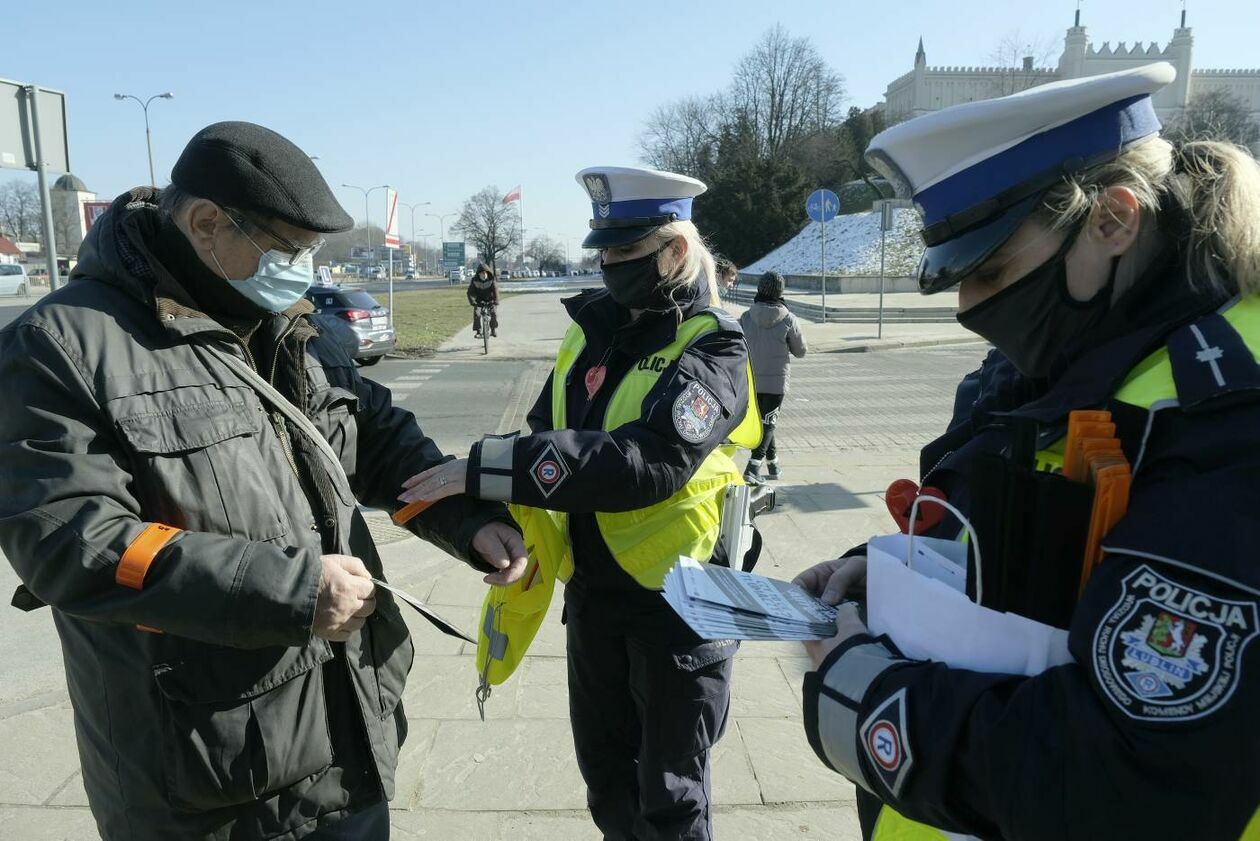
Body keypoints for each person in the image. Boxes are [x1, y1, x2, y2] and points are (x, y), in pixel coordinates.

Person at [0, 121, 527, 841]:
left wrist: (467, 519)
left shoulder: (290, 325)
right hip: (205, 783)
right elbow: (72, 544)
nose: (302, 270)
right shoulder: (62, 347)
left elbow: (373, 438)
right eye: (288, 249)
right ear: (207, 223)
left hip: (345, 739)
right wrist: (290, 591)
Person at [792, 63, 1260, 840]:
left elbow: (1129, 775)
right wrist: (887, 568)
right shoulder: (1063, 352)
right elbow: (1004, 527)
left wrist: (866, 695)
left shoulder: (1232, 419)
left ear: (1114, 221)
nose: (973, 309)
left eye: (994, 271)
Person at [398, 165, 761, 840]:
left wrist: (485, 465)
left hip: (680, 609)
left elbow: (646, 464)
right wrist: (498, 521)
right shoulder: (588, 332)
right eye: (605, 253)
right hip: (595, 598)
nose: (610, 267)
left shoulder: (715, 345)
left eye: (626, 253)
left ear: (674, 251)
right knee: (607, 785)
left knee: (671, 800)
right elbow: (547, 441)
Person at [740, 270, 807, 483]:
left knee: (766, 422)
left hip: (751, 380)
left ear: (760, 289)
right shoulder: (788, 319)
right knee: (768, 423)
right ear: (781, 291)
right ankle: (753, 467)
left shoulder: (746, 317)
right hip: (776, 382)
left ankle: (774, 465)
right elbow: (800, 351)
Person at [468, 261, 499, 336]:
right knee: (477, 314)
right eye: (481, 273)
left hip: (490, 300)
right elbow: (470, 292)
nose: (483, 274)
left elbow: (495, 290)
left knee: (493, 313)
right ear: (478, 274)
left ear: (488, 273)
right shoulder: (474, 280)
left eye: (485, 273)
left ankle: (493, 330)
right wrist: (472, 301)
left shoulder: (492, 280)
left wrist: (496, 300)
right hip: (479, 301)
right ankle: (478, 331)